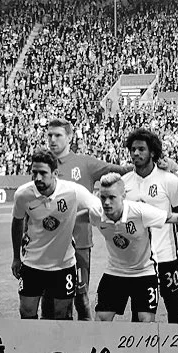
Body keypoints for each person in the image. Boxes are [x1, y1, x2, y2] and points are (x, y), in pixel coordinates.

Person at [45, 118, 131, 321]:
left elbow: (122, 171)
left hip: (80, 242)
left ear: (69, 137)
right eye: (49, 135)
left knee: (81, 297)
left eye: (58, 135)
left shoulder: (85, 163)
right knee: (50, 300)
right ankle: (52, 338)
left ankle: (84, 337)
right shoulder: (43, 166)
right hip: (49, 244)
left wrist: (159, 163)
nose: (52, 139)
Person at [90, 174, 178, 322]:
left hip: (144, 272)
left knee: (145, 322)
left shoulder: (140, 211)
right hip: (115, 271)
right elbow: (76, 217)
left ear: (123, 196)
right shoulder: (96, 213)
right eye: (103, 197)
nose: (106, 202)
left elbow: (176, 218)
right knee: (101, 319)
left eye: (112, 197)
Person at [10, 149, 101, 320]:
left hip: (63, 265)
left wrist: (78, 218)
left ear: (55, 173)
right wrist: (16, 257)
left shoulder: (72, 192)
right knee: (26, 312)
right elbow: (17, 222)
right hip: (32, 264)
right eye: (34, 172)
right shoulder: (23, 194)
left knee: (62, 315)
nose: (37, 178)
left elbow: (99, 208)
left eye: (43, 173)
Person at [122, 128, 178, 324]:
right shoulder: (124, 183)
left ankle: (177, 343)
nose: (136, 153)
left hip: (166, 255)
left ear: (152, 152)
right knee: (139, 310)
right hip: (138, 259)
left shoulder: (169, 181)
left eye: (141, 149)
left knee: (173, 306)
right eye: (133, 149)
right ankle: (138, 345)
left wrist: (163, 232)